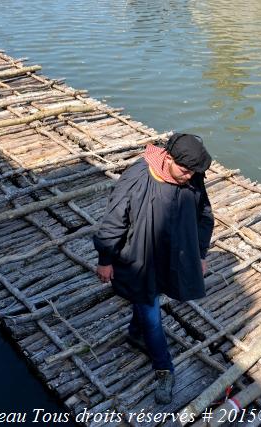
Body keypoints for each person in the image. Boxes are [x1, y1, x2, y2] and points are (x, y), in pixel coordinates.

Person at [93, 133, 214, 405]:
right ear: (168, 158)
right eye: (185, 170)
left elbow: (204, 216)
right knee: (150, 308)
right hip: (139, 259)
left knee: (149, 302)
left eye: (194, 172)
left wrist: (200, 253)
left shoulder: (191, 176)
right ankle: (164, 369)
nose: (189, 177)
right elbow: (114, 222)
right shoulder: (137, 178)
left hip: (173, 254)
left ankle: (136, 335)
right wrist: (105, 259)